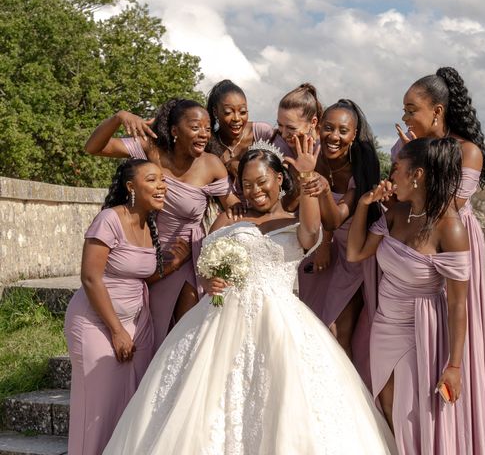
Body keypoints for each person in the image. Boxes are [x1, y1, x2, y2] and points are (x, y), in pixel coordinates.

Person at [103, 139, 397, 455]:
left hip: (281, 321)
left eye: (261, 182)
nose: (254, 190)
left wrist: (309, 178)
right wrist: (209, 279)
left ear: (280, 179)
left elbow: (312, 233)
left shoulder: (295, 220)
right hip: (220, 317)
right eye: (246, 184)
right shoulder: (230, 216)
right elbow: (205, 260)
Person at [393, 67, 485, 453]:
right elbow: (399, 195)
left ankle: (463, 434)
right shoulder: (407, 151)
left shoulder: (466, 150)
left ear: (437, 111)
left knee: (461, 325)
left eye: (412, 110)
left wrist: (415, 171)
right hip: (414, 246)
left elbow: (445, 205)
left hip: (455, 240)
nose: (406, 118)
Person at [84, 98, 240, 351]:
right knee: (154, 337)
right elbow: (94, 147)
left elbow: (234, 208)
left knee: (186, 337)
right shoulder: (150, 150)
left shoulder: (211, 164)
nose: (203, 134)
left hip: (188, 256)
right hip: (147, 255)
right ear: (175, 131)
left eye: (207, 128)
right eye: (195, 127)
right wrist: (119, 117)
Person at [348, 137, 471, 454]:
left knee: (411, 416)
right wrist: (363, 205)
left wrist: (454, 366)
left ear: (416, 175)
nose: (391, 177)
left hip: (420, 332)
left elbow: (458, 303)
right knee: (387, 408)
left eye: (397, 169)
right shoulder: (395, 214)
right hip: (384, 326)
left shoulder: (450, 228)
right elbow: (356, 252)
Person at [64, 159, 190, 455]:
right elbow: (91, 277)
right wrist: (117, 331)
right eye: (152, 180)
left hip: (137, 322)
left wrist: (175, 263)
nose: (162, 186)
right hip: (97, 322)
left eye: (163, 180)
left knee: (132, 404)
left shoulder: (151, 222)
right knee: (98, 408)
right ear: (131, 187)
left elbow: (140, 273)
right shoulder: (109, 219)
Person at [297, 99, 380, 388]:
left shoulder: (361, 167)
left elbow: (335, 220)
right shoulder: (310, 155)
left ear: (354, 134)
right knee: (313, 327)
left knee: (336, 331)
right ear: (318, 127)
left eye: (343, 130)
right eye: (329, 128)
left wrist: (321, 191)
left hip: (352, 254)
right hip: (317, 253)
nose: (335, 136)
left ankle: (344, 399)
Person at [206, 79, 274, 181]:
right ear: (215, 112)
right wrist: (227, 166)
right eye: (228, 112)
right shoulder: (208, 142)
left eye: (242, 112)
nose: (237, 119)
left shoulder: (261, 133)